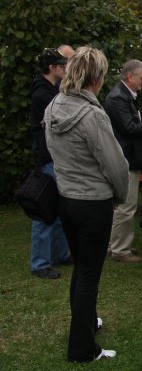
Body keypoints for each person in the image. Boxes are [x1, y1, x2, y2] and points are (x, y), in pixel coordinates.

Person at [44, 46, 129, 361]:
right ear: (97, 77)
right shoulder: (92, 115)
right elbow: (116, 165)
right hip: (92, 203)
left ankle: (87, 323)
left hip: (67, 199)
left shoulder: (54, 106)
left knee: (83, 269)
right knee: (89, 275)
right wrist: (119, 196)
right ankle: (82, 349)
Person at [104, 60, 142, 263]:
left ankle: (117, 244)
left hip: (129, 158)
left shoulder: (124, 96)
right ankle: (120, 250)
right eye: (141, 77)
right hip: (126, 160)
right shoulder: (118, 98)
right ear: (130, 77)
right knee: (126, 205)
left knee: (124, 206)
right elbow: (128, 128)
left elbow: (131, 120)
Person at [29, 48, 71, 279]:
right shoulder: (43, 94)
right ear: (51, 68)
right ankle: (40, 263)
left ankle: (59, 253)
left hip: (56, 157)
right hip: (48, 158)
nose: (65, 69)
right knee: (45, 212)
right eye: (61, 65)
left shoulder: (52, 90)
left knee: (59, 210)